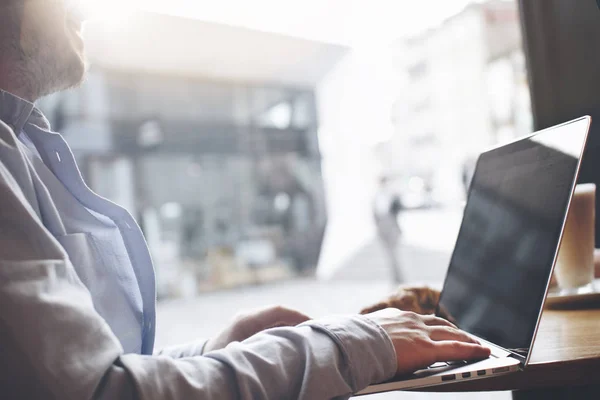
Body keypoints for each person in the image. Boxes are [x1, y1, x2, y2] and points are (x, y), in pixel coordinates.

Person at [0, 1, 490, 398]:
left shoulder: (22, 150)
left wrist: (215, 349)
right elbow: (102, 394)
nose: (85, 12)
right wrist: (351, 346)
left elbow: (99, 374)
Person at [373, 176, 404, 283]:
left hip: (392, 229)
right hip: (382, 229)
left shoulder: (392, 196)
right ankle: (396, 278)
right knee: (390, 256)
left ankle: (399, 278)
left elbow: (399, 209)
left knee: (394, 255)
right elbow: (374, 215)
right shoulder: (377, 197)